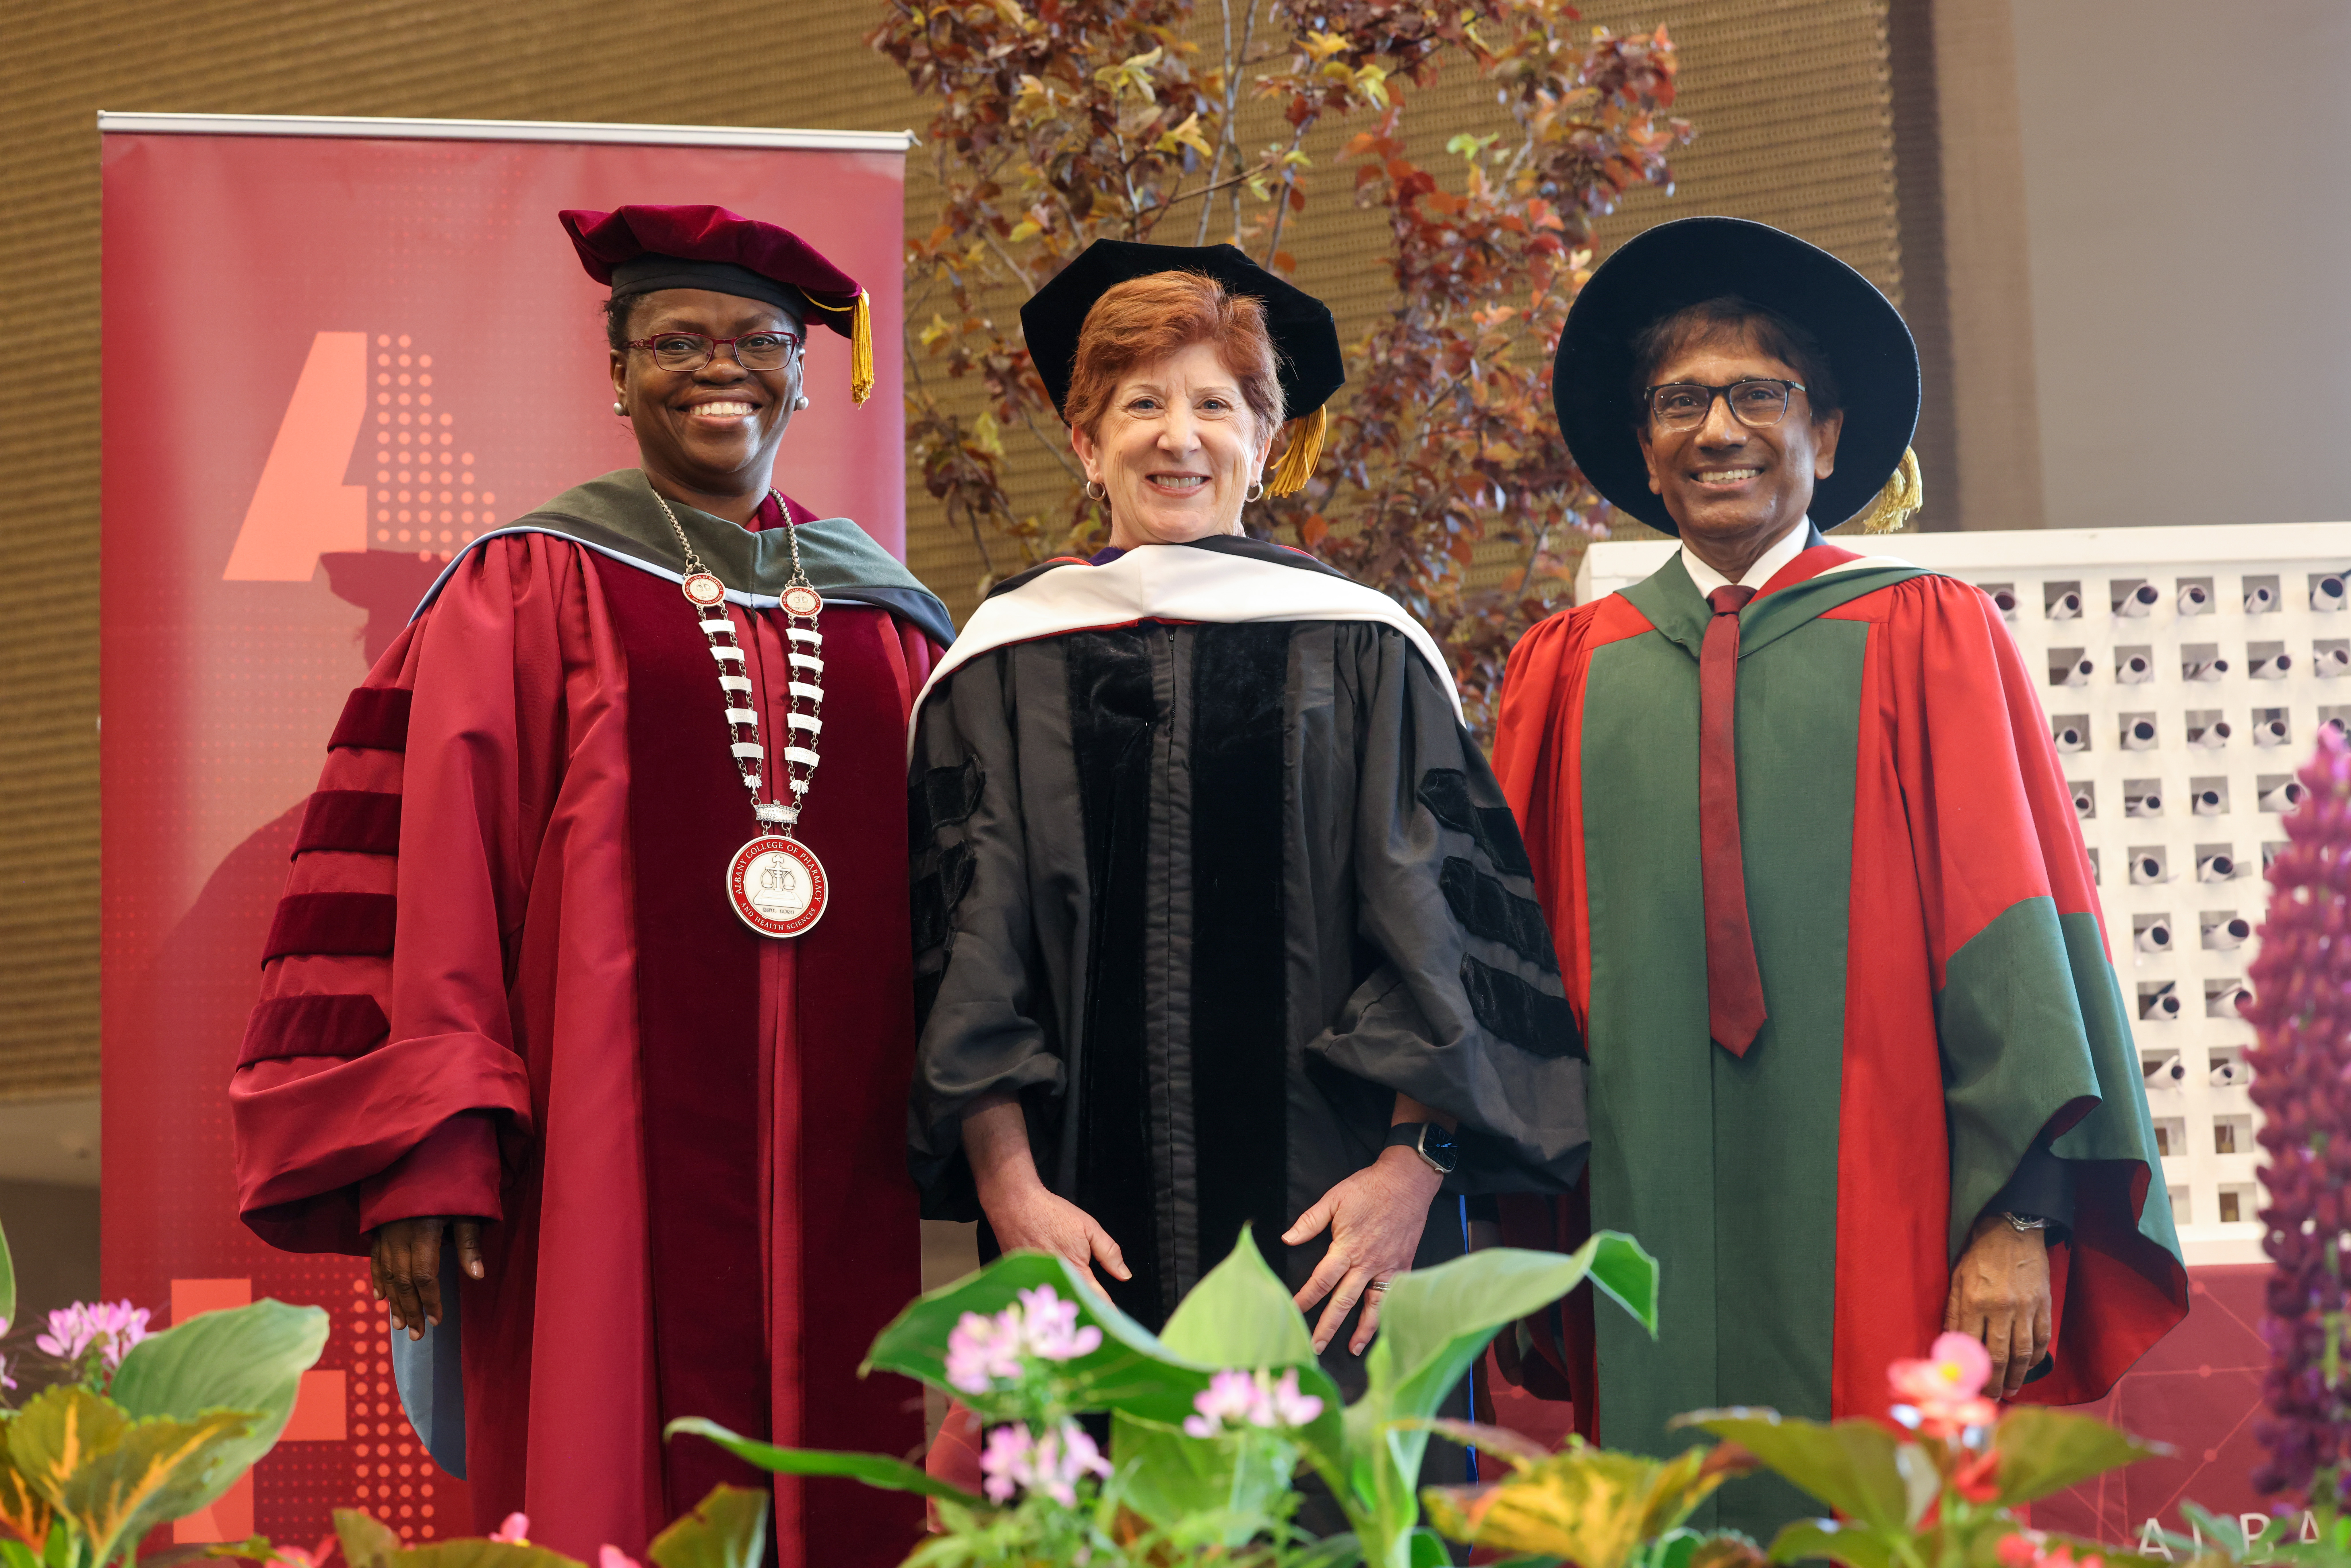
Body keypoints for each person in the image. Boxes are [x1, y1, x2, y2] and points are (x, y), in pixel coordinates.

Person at [229, 204, 952, 1566]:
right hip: (587, 1163)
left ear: (804, 373)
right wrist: (429, 1152)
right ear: (616, 373)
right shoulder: (524, 582)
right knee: (600, 1479)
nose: (720, 369)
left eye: (758, 342)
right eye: (676, 341)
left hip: (845, 1162)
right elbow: (434, 880)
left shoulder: (890, 620)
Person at [1489, 216, 2186, 1534]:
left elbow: (2013, 941)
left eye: (1758, 394)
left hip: (1896, 1211)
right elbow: (1506, 980)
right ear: (1642, 443)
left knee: (1872, 1522)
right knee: (1659, 1521)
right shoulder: (1565, 670)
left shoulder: (1926, 635)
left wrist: (2019, 1218)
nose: (1717, 429)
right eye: (1680, 400)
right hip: (1634, 1211)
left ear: (1825, 429)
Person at [906, 239, 1588, 1448]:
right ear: (1085, 442)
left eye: (1215, 405)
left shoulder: (1365, 648)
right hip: (1077, 1223)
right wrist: (1010, 1197)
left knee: (1331, 1506)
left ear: (1266, 442)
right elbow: (966, 952)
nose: (1178, 437)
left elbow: (1445, 935)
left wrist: (1410, 1175)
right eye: (1141, 405)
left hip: (1338, 1225)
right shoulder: (1001, 663)